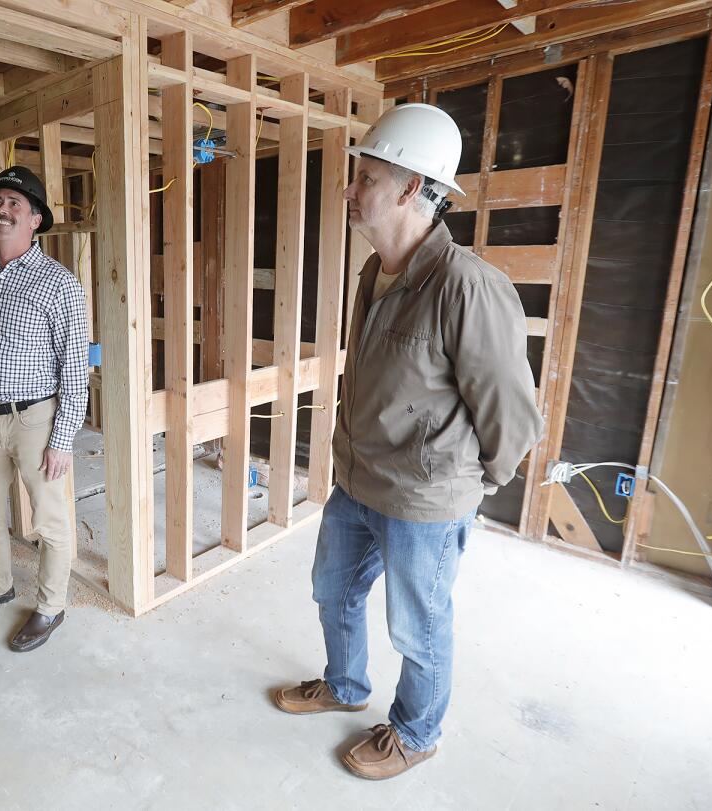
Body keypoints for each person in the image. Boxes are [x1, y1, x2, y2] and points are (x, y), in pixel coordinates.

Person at [273, 104, 543, 778]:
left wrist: (468, 484)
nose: (349, 190)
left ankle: (417, 731)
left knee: (417, 626)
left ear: (413, 188)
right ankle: (344, 684)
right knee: (332, 590)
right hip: (358, 479)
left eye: (365, 177)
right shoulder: (375, 273)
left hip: (425, 499)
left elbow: (512, 415)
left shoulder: (467, 286)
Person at [0, 166, 88, 653]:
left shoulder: (59, 284)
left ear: (35, 220)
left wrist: (63, 439)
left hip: (37, 420)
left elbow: (74, 367)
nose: (1, 211)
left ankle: (50, 607)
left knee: (48, 523)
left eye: (14, 204)